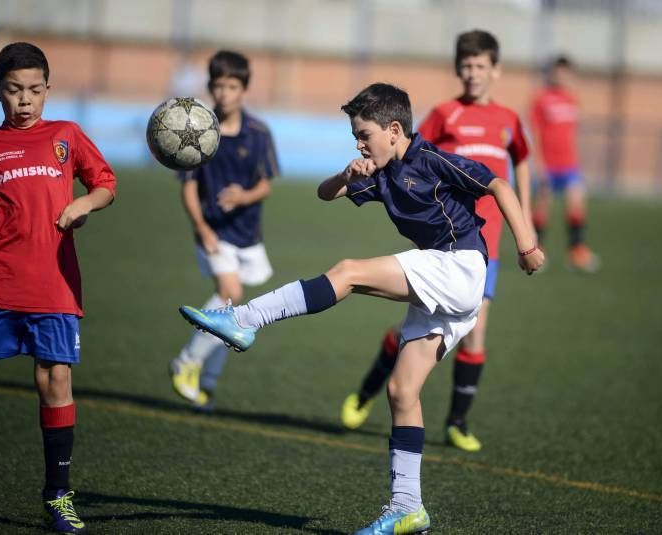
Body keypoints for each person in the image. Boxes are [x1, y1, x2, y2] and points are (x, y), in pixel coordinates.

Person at [178, 82, 543, 534]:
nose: (358, 143)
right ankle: (408, 507)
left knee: (348, 271)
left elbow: (500, 185)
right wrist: (346, 176)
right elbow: (323, 194)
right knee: (401, 393)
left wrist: (527, 245)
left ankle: (244, 319)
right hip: (446, 288)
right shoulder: (379, 170)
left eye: (364, 134)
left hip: (459, 267)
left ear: (394, 130)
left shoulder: (431, 159)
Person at [339, 29, 533, 453]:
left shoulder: (509, 119)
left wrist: (528, 227)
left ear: (495, 70)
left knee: (476, 333)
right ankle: (367, 392)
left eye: (480, 65)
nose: (472, 73)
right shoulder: (444, 115)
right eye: (465, 65)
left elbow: (519, 165)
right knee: (409, 335)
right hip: (443, 242)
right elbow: (408, 155)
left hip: (486, 244)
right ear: (457, 69)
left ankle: (457, 422)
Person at [0, 42, 116, 534]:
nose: (25, 101)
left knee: (54, 382)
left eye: (35, 90)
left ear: (48, 91)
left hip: (55, 285)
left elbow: (104, 184)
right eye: (14, 91)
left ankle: (57, 496)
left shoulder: (66, 135)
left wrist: (84, 205)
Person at [169, 50, 279, 411]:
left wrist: (244, 196)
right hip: (213, 230)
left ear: (243, 89)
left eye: (232, 86)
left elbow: (266, 185)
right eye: (218, 86)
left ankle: (208, 382)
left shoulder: (259, 132)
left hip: (247, 234)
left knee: (232, 310)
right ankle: (187, 362)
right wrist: (201, 227)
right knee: (229, 291)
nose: (225, 94)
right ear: (211, 88)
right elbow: (187, 187)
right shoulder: (198, 131)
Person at [529, 54, 600, 272]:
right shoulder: (541, 99)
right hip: (548, 165)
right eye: (558, 71)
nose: (562, 76)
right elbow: (535, 133)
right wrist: (538, 164)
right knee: (542, 207)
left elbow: (571, 134)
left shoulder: (572, 99)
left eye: (566, 72)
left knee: (577, 202)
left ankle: (577, 251)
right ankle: (535, 251)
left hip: (569, 165)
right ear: (552, 73)